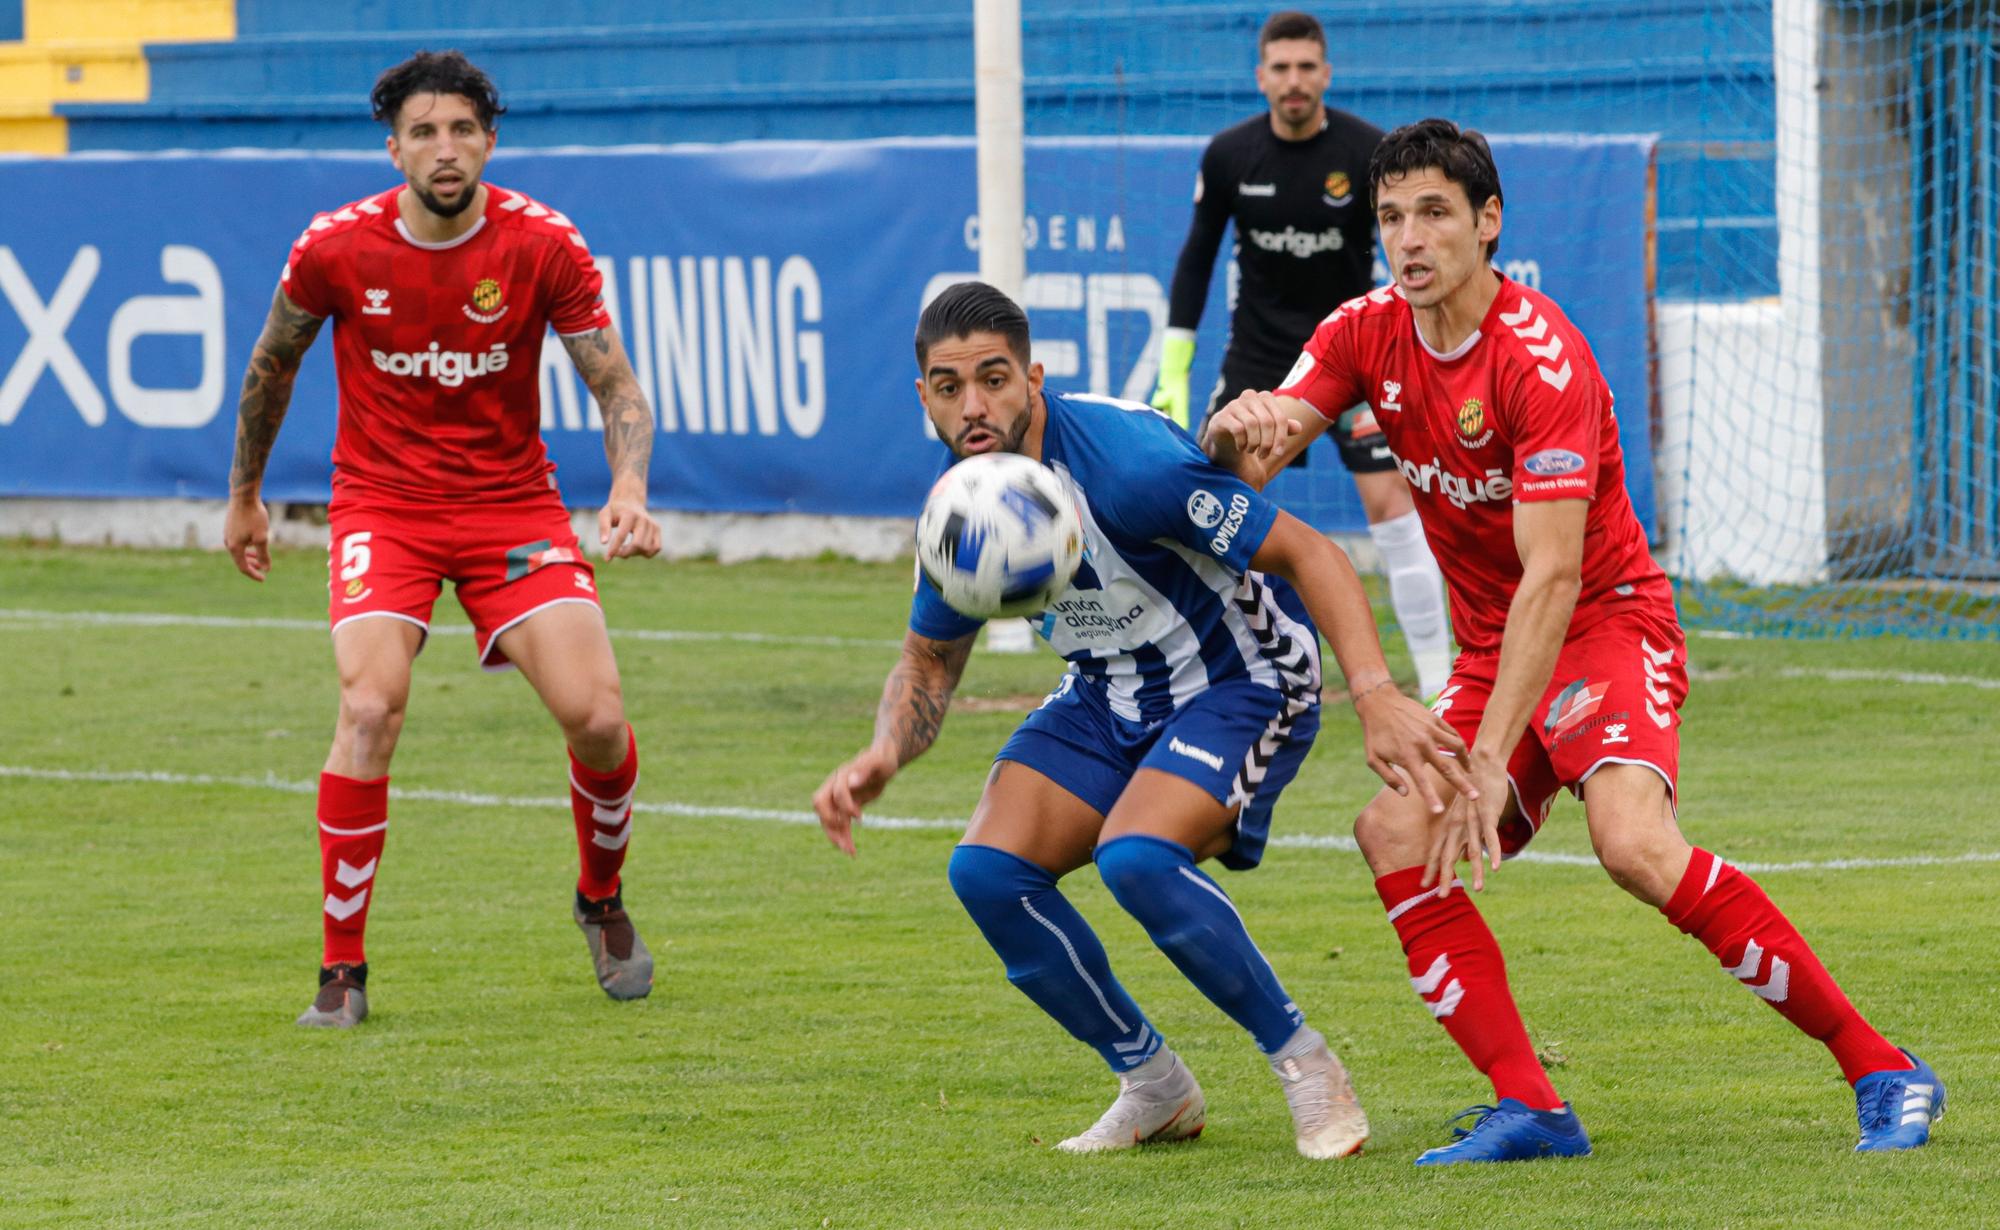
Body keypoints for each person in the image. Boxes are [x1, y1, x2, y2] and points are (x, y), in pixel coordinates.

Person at [1205, 118, 1944, 1162]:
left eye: (1431, 214)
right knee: (1393, 836)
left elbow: (1551, 578)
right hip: (1492, 648)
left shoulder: (1538, 362)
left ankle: (1882, 1067)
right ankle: (1534, 1110)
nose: (1407, 239)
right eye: (1388, 219)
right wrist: (1230, 438)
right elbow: (1263, 443)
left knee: (1631, 846)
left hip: (1601, 622)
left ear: (1486, 222)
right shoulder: (1364, 328)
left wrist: (1481, 759)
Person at [812, 281, 1473, 1157]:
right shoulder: (965, 505)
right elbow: (930, 660)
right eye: (947, 386)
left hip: (1245, 679)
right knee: (985, 873)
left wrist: (1380, 692)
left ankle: (1305, 1062)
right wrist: (883, 754)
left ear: (1034, 379)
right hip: (1110, 690)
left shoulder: (1126, 464)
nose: (973, 406)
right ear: (924, 398)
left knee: (1136, 858)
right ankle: (1153, 1084)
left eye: (994, 379)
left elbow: (1308, 551)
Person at [223, 51, 665, 1028]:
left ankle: (600, 900)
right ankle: (343, 971)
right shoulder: (335, 249)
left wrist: (627, 485)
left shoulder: (543, 243)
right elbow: (271, 364)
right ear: (393, 149)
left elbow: (615, 385)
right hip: (384, 512)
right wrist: (246, 494)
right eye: (423, 131)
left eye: (462, 129)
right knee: (370, 705)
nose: (445, 147)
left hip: (512, 512)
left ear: (489, 142)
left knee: (596, 715)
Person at [1153, 9, 1452, 699]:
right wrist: (1174, 371)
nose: (1294, 81)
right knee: (1217, 503)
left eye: (1306, 67)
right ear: (1261, 77)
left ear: (1326, 72)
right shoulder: (1229, 155)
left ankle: (1439, 684)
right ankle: (1202, 671)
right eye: (1281, 68)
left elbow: (1404, 259)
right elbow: (1196, 261)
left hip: (1355, 357)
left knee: (1391, 505)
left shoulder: (1367, 152)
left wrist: (1404, 360)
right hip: (1260, 357)